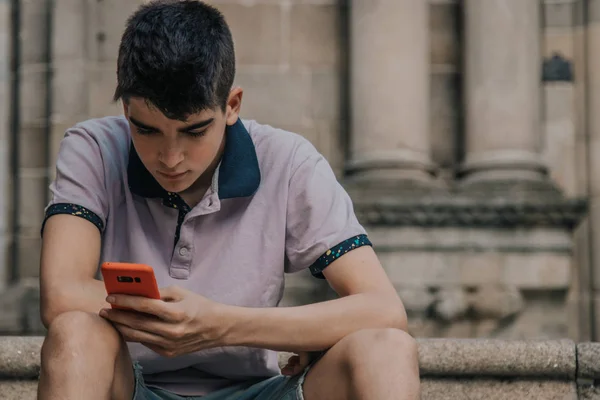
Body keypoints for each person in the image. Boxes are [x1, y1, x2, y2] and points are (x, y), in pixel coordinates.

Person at [36, 1, 420, 399]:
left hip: (260, 391)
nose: (170, 158)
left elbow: (383, 309)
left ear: (232, 105)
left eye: (194, 131)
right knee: (75, 332)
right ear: (125, 110)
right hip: (131, 385)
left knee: (387, 349)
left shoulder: (289, 160)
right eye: (146, 130)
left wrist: (220, 324)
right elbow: (62, 295)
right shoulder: (94, 148)